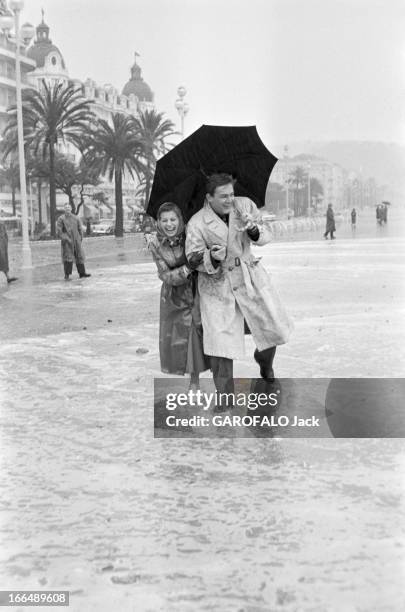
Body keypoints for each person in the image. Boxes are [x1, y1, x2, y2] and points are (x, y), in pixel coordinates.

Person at [185, 173, 292, 405]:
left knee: (269, 327)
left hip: (248, 276)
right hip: (217, 286)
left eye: (231, 194)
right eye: (223, 196)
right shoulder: (196, 222)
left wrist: (252, 229)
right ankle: (225, 397)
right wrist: (210, 257)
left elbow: (266, 235)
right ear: (209, 197)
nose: (229, 200)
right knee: (220, 345)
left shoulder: (244, 206)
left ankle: (265, 363)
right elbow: (191, 257)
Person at [148, 202, 209, 389]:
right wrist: (187, 268)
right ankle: (192, 377)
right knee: (180, 336)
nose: (169, 224)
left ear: (180, 220)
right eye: (164, 220)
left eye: (173, 219)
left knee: (197, 333)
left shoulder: (191, 235)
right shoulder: (155, 244)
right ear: (158, 222)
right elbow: (165, 275)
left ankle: (196, 377)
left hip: (197, 289)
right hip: (174, 295)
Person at [56, 203, 91, 280]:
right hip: (67, 242)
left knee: (79, 256)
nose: (67, 209)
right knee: (68, 257)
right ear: (64, 209)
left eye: (69, 207)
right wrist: (65, 238)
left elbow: (80, 228)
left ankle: (82, 273)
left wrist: (80, 237)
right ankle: (67, 275)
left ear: (71, 209)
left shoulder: (76, 218)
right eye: (66, 207)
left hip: (76, 240)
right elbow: (59, 231)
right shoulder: (61, 219)